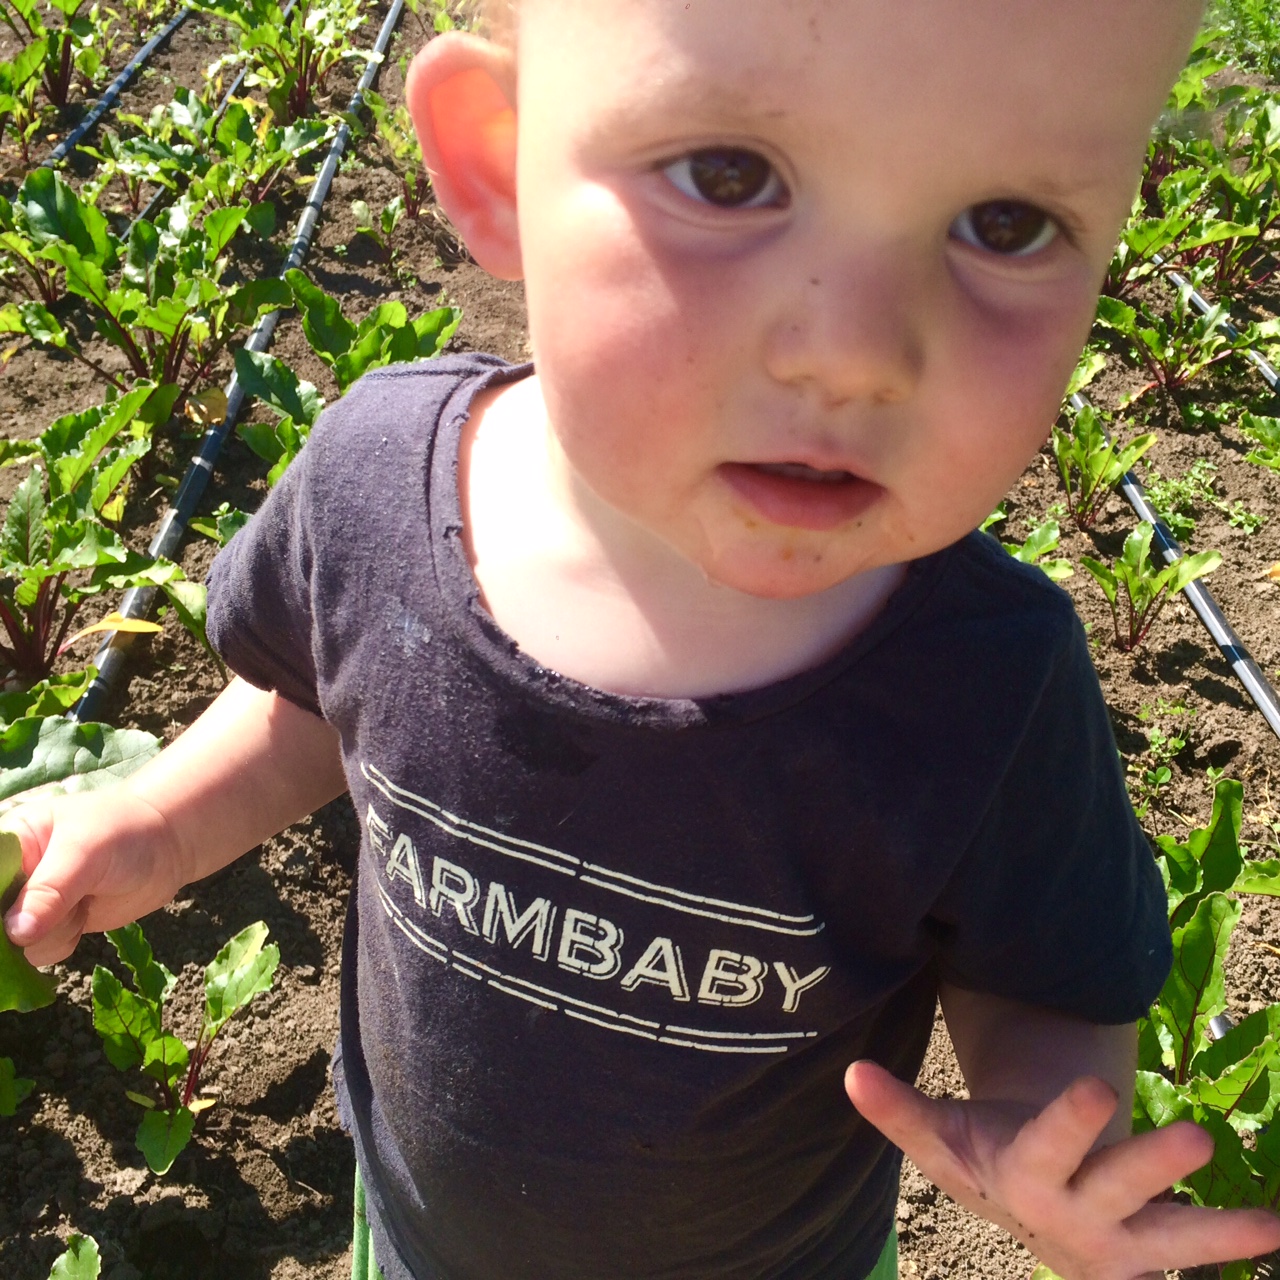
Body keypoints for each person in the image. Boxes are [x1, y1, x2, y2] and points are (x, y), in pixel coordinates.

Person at [6, 1, 1280, 1277]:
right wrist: (165, 817)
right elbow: (307, 700)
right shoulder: (371, 489)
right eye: (729, 178)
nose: (854, 354)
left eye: (1005, 224)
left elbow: (1044, 978)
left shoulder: (988, 685)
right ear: (497, 163)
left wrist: (1032, 1118)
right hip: (417, 1235)